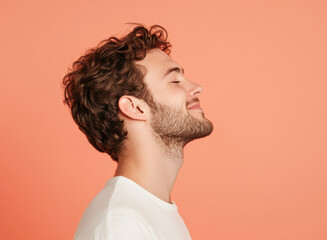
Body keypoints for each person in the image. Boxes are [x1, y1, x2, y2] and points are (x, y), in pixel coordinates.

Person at [62, 24, 214, 240]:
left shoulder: (149, 212)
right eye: (174, 80)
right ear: (135, 107)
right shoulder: (121, 226)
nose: (196, 87)